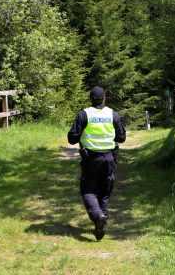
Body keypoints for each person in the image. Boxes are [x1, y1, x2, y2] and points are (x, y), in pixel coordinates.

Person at [67, 86, 126, 241]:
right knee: (104, 192)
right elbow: (121, 138)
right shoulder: (113, 114)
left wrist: (81, 134)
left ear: (91, 99)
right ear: (104, 99)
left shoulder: (84, 114)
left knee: (88, 190)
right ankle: (101, 224)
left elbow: (72, 138)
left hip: (91, 159)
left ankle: (98, 216)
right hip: (109, 158)